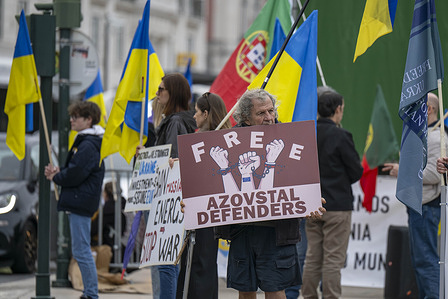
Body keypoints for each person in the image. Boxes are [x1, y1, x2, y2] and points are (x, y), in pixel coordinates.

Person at [212, 88, 324, 299]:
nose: (269, 117)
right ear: (245, 116)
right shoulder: (227, 141)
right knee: (245, 291)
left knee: (275, 290)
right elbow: (207, 177)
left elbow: (303, 177)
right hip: (241, 232)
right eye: (261, 113)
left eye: (271, 111)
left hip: (276, 233)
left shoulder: (291, 139)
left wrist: (312, 200)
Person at [301, 87, 363, 299]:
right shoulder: (342, 135)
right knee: (333, 260)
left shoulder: (308, 134)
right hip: (338, 206)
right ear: (337, 110)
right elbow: (356, 171)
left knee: (312, 258)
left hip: (313, 205)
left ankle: (308, 296)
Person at [385, 93, 445, 298]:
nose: (412, 111)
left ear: (429, 109)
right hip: (420, 205)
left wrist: (401, 170)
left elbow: (434, 174)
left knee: (425, 260)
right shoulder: (426, 134)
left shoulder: (437, 137)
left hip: (426, 206)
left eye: (417, 106)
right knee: (420, 260)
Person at [44, 101, 105, 299]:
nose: (71, 120)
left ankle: (91, 294)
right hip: (81, 200)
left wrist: (57, 177)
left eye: (76, 117)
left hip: (80, 202)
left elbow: (77, 173)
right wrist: (60, 171)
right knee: (81, 250)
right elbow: (76, 169)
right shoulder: (87, 142)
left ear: (88, 120)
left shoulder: (88, 144)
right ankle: (89, 293)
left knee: (81, 251)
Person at [176, 92, 232, 299]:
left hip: (210, 211)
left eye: (198, 112)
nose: (194, 117)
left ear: (206, 113)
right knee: (194, 261)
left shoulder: (222, 141)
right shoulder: (198, 140)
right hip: (196, 210)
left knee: (202, 262)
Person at [151, 73, 197, 299]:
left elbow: (173, 160)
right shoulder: (179, 120)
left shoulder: (176, 122)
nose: (157, 93)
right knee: (166, 260)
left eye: (161, 89)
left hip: (170, 202)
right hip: (174, 201)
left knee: (166, 261)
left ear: (173, 93)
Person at [91, 181, 127, 262]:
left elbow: (93, 229)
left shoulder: (108, 209)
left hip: (114, 252)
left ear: (106, 193)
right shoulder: (126, 205)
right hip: (129, 251)